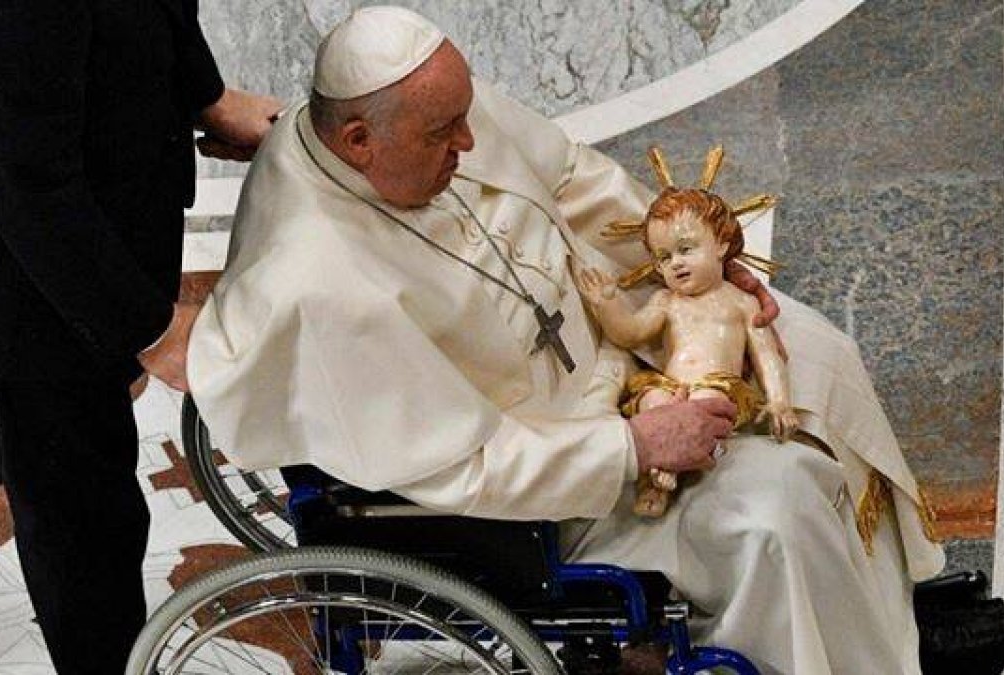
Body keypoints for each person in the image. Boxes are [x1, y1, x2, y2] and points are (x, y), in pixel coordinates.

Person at [188, 6, 945, 674]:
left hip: (614, 343)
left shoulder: (404, 108)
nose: (470, 140)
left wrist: (683, 262)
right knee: (776, 509)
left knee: (810, 349)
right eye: (444, 133)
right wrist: (633, 447)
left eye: (465, 115)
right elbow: (468, 464)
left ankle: (894, 619)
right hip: (558, 488)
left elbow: (570, 177)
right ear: (359, 140)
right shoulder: (321, 285)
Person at [0, 1, 280, 672]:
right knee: (85, 515)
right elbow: (26, 176)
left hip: (77, 230)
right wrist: (148, 327)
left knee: (2, 417)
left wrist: (205, 94)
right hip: (31, 267)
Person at [576, 183, 800, 517]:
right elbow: (631, 333)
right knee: (653, 403)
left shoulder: (742, 302)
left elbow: (767, 355)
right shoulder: (666, 301)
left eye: (686, 249)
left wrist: (780, 401)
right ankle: (656, 474)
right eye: (664, 257)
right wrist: (608, 305)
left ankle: (665, 477)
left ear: (722, 244)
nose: (676, 263)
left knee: (705, 402)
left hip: (718, 387)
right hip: (670, 387)